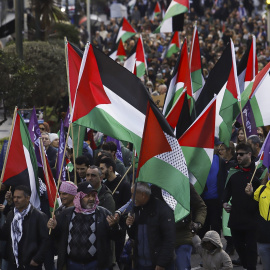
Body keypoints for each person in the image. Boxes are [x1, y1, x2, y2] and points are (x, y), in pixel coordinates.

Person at [47, 181, 121, 270]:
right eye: (87, 196)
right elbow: (57, 238)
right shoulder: (66, 214)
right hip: (72, 264)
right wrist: (54, 227)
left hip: (95, 264)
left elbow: (116, 237)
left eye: (93, 195)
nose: (91, 198)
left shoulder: (103, 213)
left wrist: (114, 226)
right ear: (79, 197)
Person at [222, 142, 263, 270]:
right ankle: (246, 265)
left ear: (249, 154)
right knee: (238, 246)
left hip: (252, 218)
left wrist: (252, 194)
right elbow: (227, 191)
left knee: (251, 248)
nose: (238, 157)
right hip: (236, 218)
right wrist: (224, 202)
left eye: (241, 154)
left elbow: (264, 195)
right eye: (237, 154)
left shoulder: (258, 173)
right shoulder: (234, 172)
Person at [126, 182, 175, 270]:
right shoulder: (137, 210)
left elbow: (169, 239)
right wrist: (129, 225)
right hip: (141, 264)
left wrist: (161, 263)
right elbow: (134, 236)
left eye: (133, 194)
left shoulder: (163, 210)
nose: (131, 198)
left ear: (143, 195)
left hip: (157, 265)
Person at [0, 185, 49, 270]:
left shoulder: (39, 216)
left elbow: (45, 240)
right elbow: (4, 235)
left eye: (19, 197)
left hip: (30, 264)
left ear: (27, 198)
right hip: (13, 263)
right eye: (14, 197)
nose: (15, 200)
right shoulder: (11, 214)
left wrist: (36, 259)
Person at [245, 173, 270, 270]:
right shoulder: (261, 190)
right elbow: (251, 209)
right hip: (263, 240)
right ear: (268, 174)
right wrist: (250, 195)